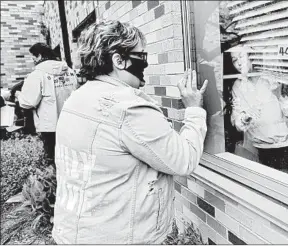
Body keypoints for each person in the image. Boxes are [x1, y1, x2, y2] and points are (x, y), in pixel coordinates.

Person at [52, 20, 209, 244]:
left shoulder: (77, 98)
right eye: (141, 56)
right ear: (119, 60)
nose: (145, 64)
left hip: (75, 233)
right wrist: (194, 109)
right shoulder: (128, 108)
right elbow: (183, 160)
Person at [225, 45, 288, 178]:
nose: (238, 63)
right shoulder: (238, 86)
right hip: (261, 150)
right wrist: (242, 119)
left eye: (241, 57)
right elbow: (237, 117)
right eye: (234, 60)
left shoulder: (273, 77)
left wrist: (284, 100)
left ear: (252, 57)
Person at [1, 43, 78, 164]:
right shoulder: (70, 71)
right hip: (73, 123)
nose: (33, 61)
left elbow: (28, 102)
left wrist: (18, 95)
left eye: (33, 57)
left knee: (53, 160)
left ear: (40, 55)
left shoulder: (37, 75)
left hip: (50, 126)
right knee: (74, 158)